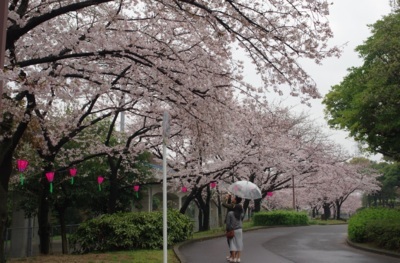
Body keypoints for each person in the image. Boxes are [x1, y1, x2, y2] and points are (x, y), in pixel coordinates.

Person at [224, 195, 244, 262]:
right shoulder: (240, 213)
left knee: (232, 243)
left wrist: (227, 230)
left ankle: (233, 257)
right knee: (239, 242)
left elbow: (228, 224)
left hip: (233, 229)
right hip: (240, 229)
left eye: (233, 198)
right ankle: (238, 258)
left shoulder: (230, 213)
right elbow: (242, 216)